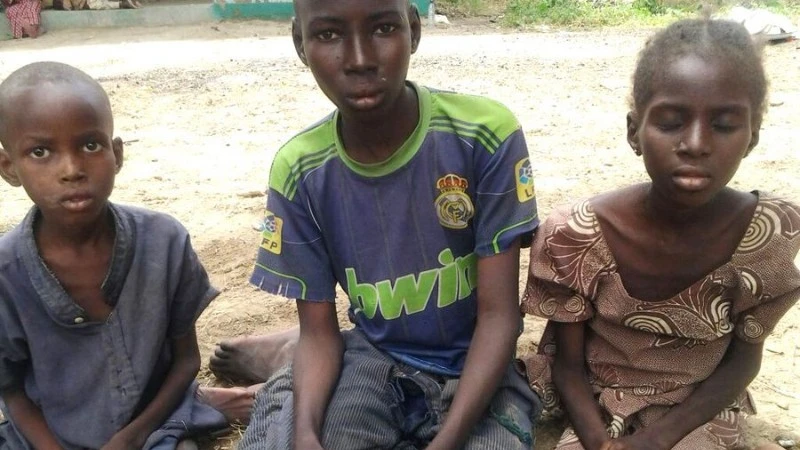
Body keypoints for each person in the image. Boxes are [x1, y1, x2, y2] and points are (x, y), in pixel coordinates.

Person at [230, 0, 542, 448]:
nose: (359, 60)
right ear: (300, 43)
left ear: (413, 29)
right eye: (329, 35)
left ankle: (279, 363)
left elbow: (499, 318)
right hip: (373, 359)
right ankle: (283, 372)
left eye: (382, 28)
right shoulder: (301, 170)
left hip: (477, 366)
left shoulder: (483, 135)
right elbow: (318, 335)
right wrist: (305, 433)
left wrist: (447, 441)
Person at [520, 18, 799, 450]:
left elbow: (742, 363)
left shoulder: (767, 237)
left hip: (698, 408)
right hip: (596, 401)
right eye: (670, 123)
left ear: (752, 138)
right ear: (634, 132)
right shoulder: (576, 235)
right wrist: (598, 440)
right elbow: (568, 366)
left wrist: (658, 440)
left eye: (724, 125)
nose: (696, 143)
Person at [0, 61, 255, 450]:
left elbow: (186, 360)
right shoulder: (6, 274)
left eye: (90, 145)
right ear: (9, 168)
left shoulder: (163, 242)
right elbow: (11, 389)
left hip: (152, 432)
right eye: (40, 151)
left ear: (116, 154)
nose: (71, 169)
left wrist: (132, 437)